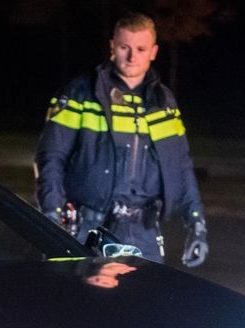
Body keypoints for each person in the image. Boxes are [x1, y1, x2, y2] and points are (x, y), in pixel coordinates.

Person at [35, 12, 208, 268]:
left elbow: (180, 166)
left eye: (141, 48)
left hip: (144, 232)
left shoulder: (164, 102)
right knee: (80, 303)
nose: (132, 56)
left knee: (144, 304)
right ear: (112, 46)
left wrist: (196, 222)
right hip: (88, 227)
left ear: (153, 51)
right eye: (125, 47)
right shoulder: (81, 92)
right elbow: (51, 155)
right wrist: (51, 212)